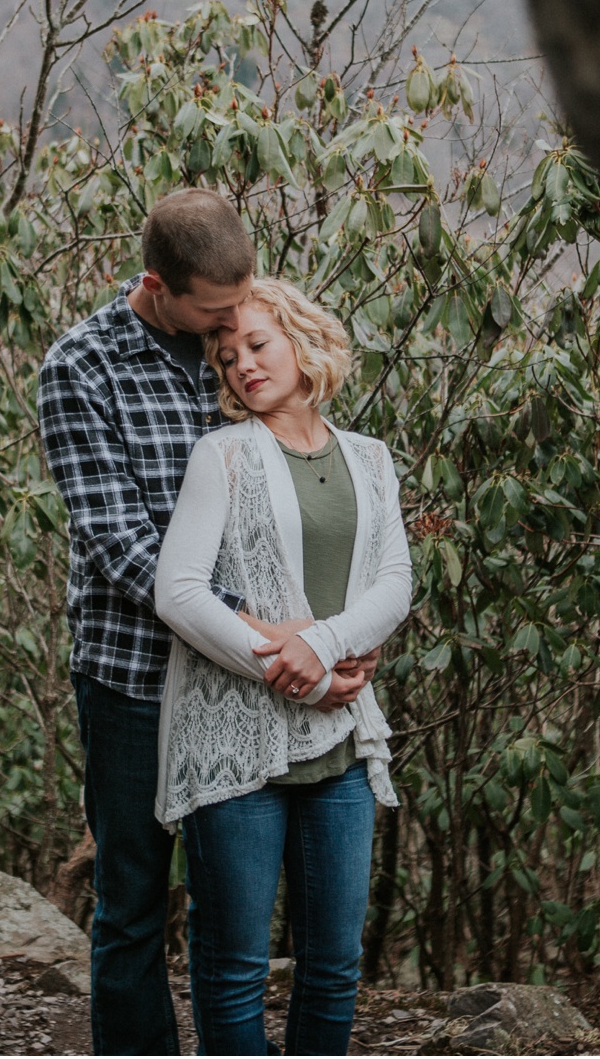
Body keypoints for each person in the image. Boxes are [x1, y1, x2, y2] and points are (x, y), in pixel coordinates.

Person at [39, 191, 381, 1054]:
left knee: (241, 923)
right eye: (216, 315)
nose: (231, 338)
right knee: (133, 904)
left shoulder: (234, 343)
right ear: (159, 285)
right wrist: (287, 643)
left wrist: (336, 634)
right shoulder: (82, 366)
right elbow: (123, 547)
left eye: (242, 316)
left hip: (254, 690)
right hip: (136, 678)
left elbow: (307, 490)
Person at [153, 278, 413, 1057]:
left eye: (257, 346)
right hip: (236, 752)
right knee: (234, 971)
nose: (242, 367)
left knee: (333, 967)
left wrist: (323, 647)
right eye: (227, 357)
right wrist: (282, 661)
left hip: (338, 747)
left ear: (303, 342)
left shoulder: (369, 458)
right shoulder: (222, 454)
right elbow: (179, 591)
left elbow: (396, 581)